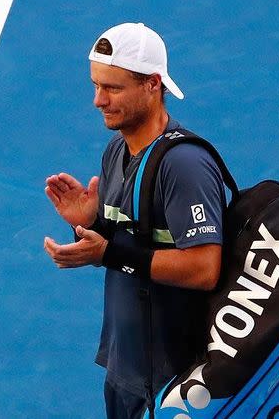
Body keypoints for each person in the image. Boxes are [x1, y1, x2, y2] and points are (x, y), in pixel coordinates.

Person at [42, 23, 225, 418]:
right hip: (127, 367)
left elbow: (205, 268)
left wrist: (108, 253)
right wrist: (91, 224)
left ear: (152, 85)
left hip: (176, 382)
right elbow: (129, 241)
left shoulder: (185, 166)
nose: (98, 100)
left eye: (112, 88)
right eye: (95, 85)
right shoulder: (116, 150)